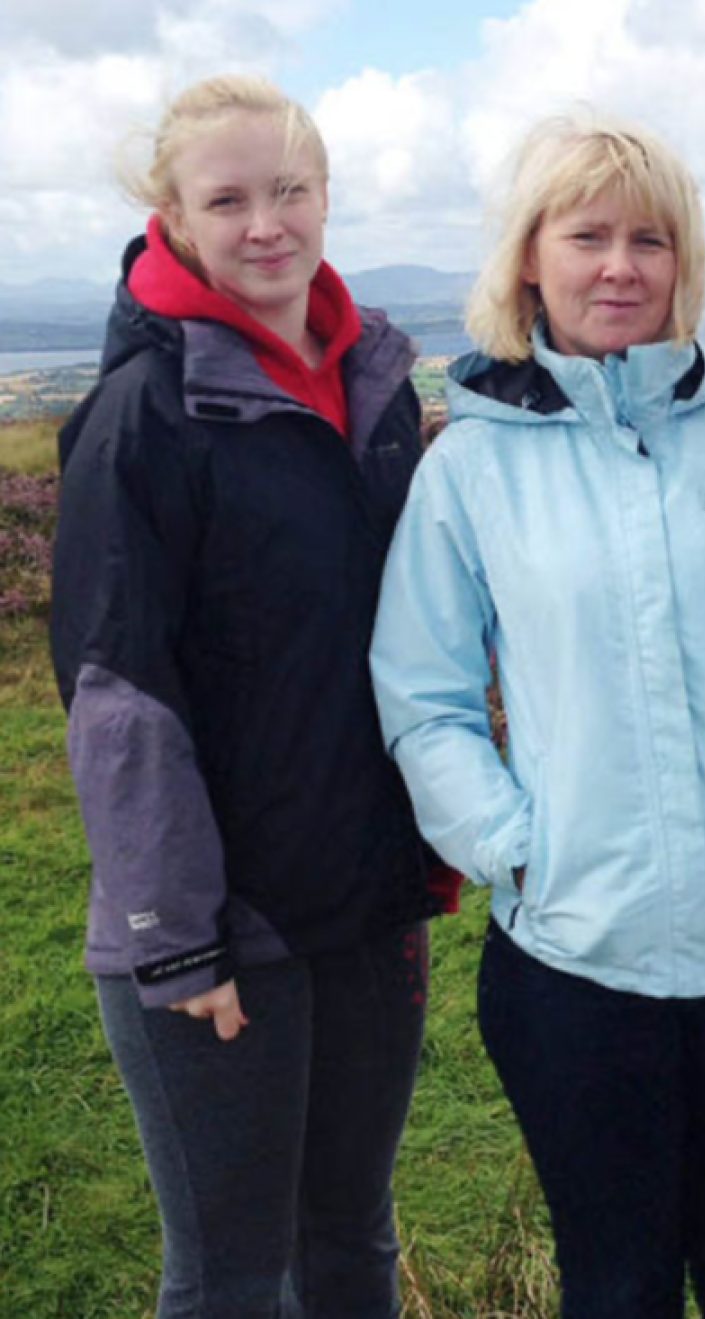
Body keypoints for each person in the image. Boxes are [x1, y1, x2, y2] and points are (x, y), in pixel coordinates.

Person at [369, 112, 705, 1318]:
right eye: (586, 234)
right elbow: (425, 697)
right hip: (574, 966)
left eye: (649, 239)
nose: (619, 266)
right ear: (529, 258)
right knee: (616, 1288)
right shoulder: (469, 469)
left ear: (683, 262)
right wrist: (514, 846)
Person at [50, 75, 449, 1318]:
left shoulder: (374, 386)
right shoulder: (144, 414)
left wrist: (413, 875)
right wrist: (179, 935)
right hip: (222, 922)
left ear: (327, 196)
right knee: (233, 1274)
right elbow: (119, 693)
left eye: (290, 192)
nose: (266, 223)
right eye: (229, 200)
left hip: (364, 906)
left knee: (351, 1243)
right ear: (172, 215)